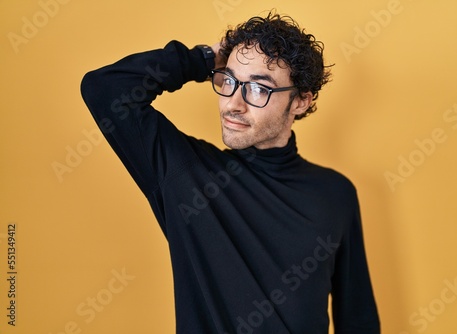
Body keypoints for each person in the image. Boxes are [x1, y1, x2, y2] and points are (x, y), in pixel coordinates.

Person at [81, 11, 380, 334]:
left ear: (301, 101)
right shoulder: (186, 173)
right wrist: (204, 58)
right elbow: (104, 89)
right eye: (229, 80)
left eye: (257, 89)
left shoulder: (335, 194)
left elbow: (358, 320)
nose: (232, 104)